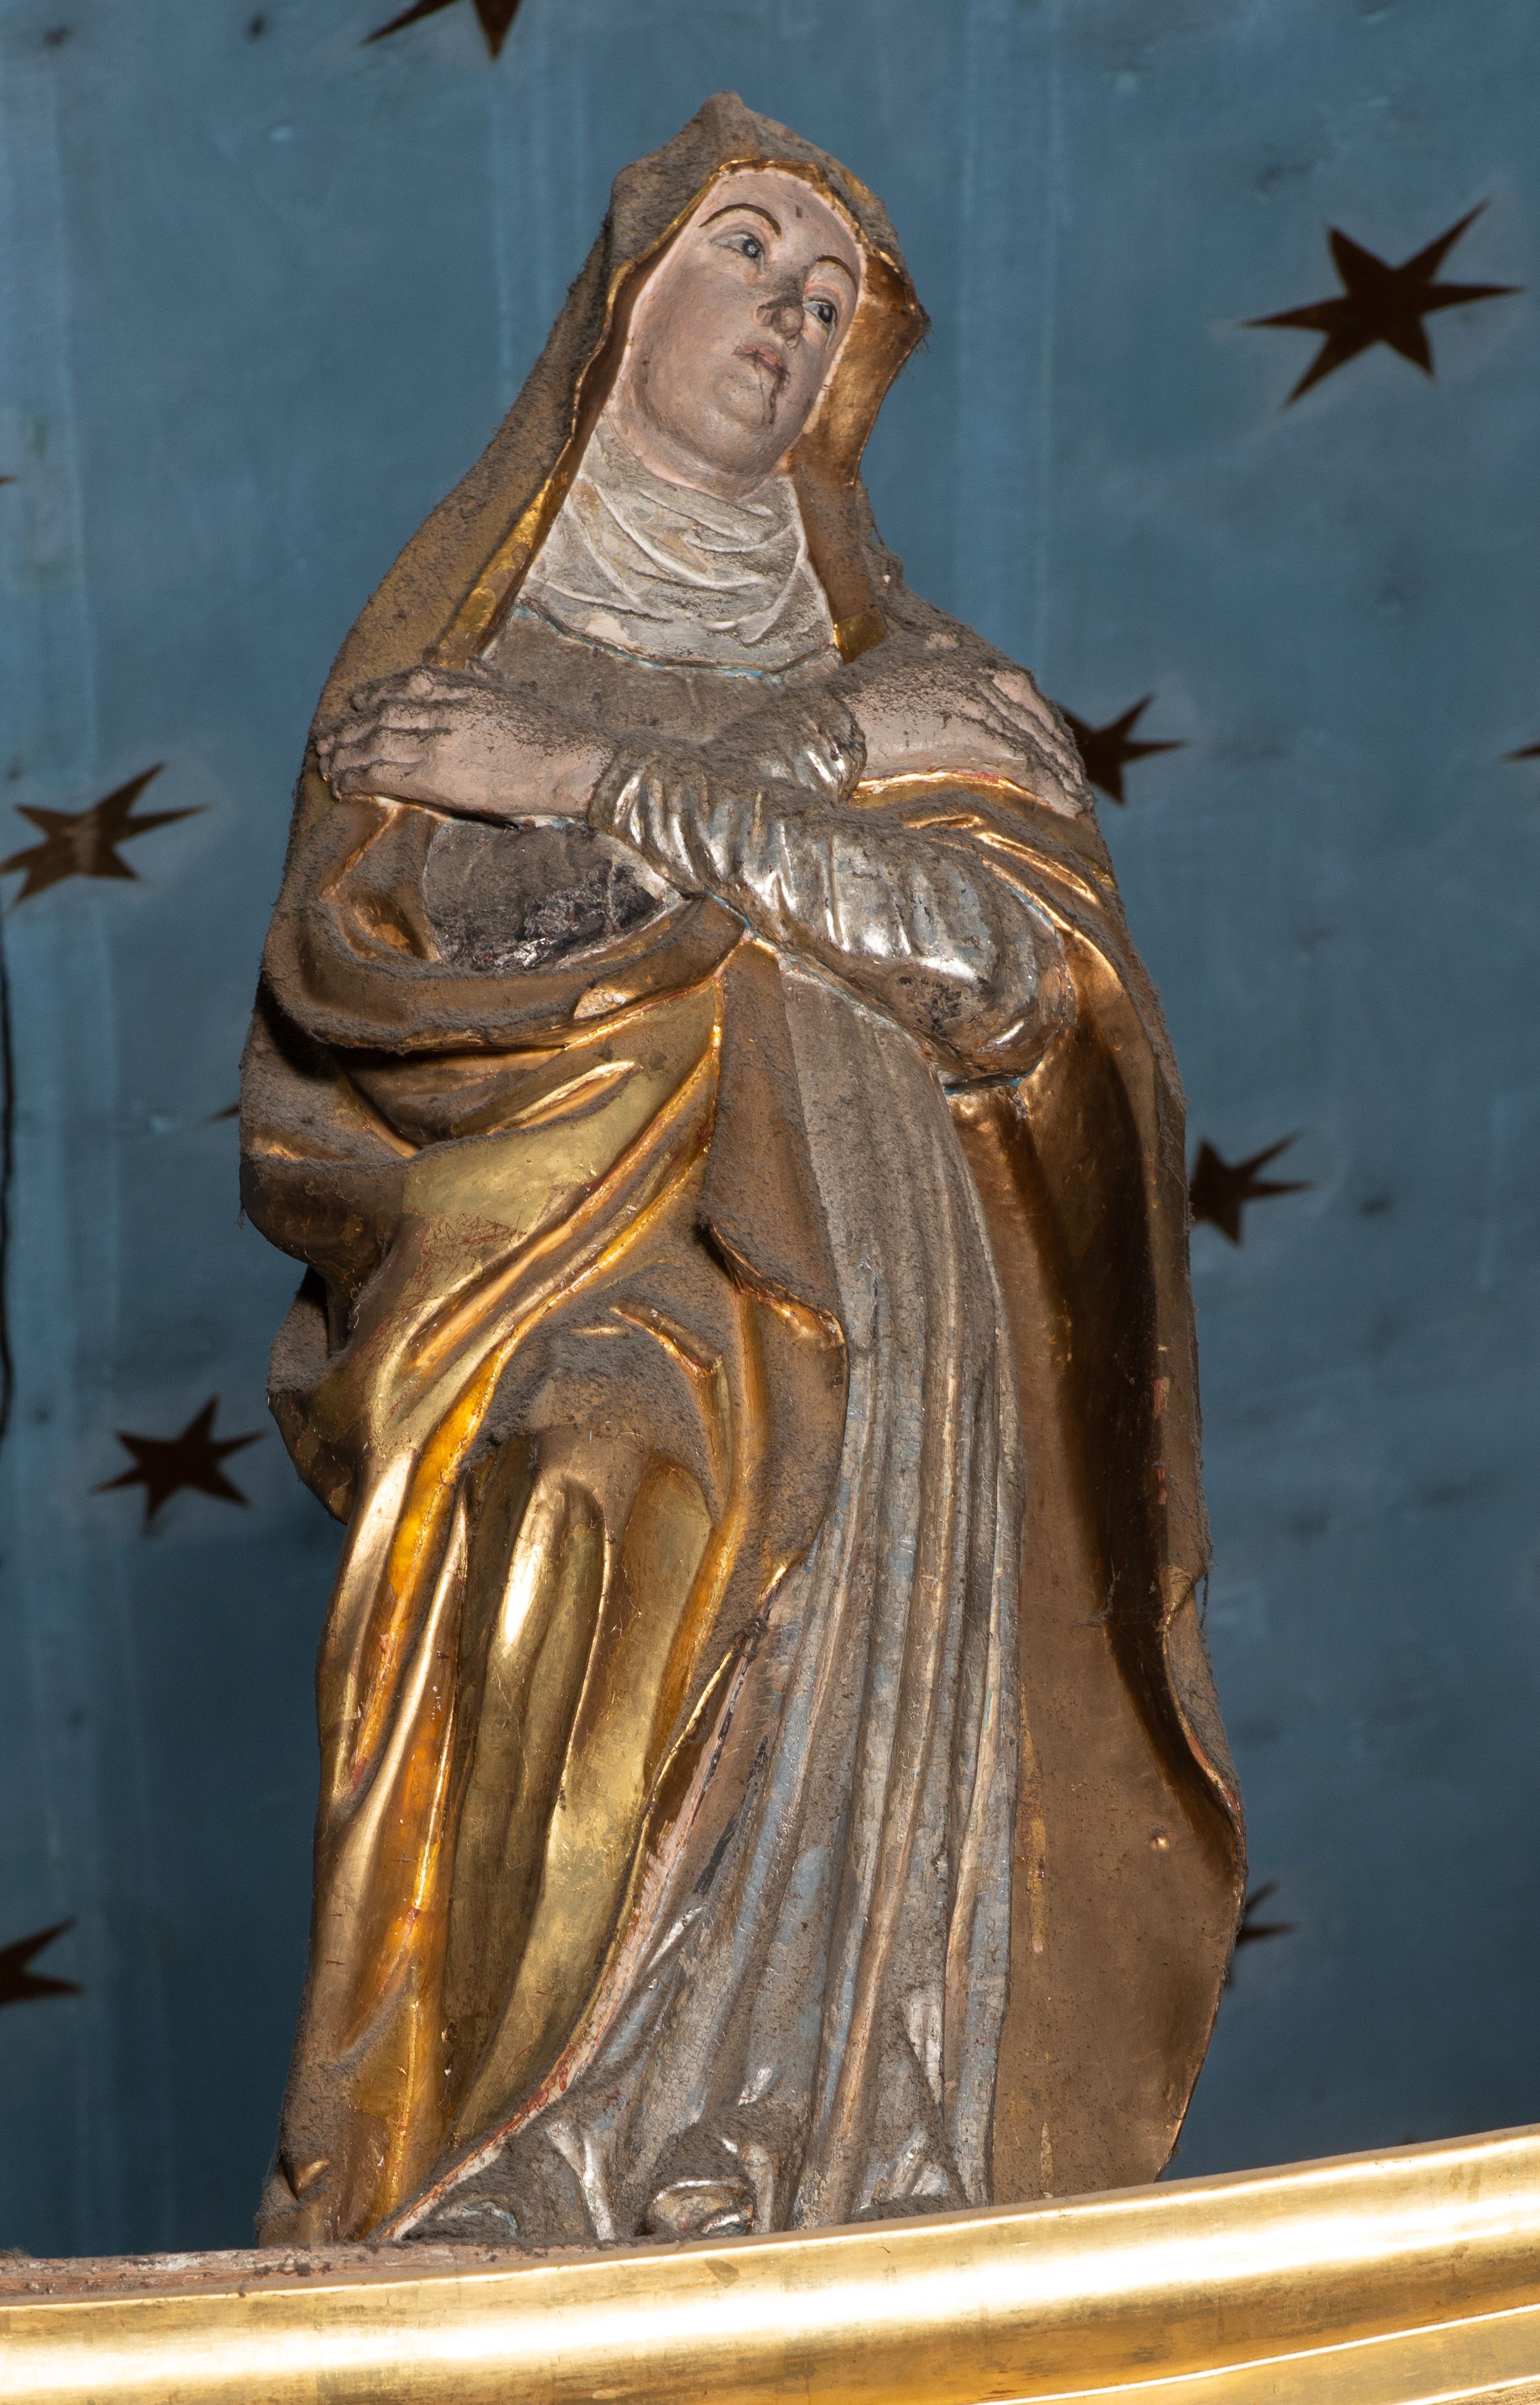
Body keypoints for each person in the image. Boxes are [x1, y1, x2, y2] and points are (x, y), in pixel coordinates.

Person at [244, 94, 1243, 2251]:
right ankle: (505, 2161)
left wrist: (616, 782)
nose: (788, 311)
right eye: (746, 251)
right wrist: (770, 816)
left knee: (860, 1667)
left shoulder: (936, 692)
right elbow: (403, 969)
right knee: (589, 1475)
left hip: (893, 1278)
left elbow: (1000, 979)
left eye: (829, 294)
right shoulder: (462, 674)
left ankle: (837, 2167)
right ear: (623, 306)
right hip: (559, 1255)